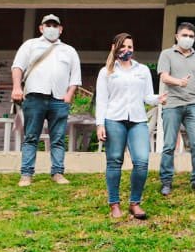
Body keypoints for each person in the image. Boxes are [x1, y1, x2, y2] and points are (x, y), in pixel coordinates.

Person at [94, 33, 166, 220]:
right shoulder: (107, 72)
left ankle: (135, 203)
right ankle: (114, 204)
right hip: (114, 119)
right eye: (123, 46)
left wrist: (159, 98)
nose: (127, 50)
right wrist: (100, 124)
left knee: (142, 162)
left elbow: (147, 96)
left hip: (137, 120)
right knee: (114, 161)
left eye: (130, 47)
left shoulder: (142, 70)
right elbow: (102, 101)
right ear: (114, 48)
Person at [11, 13, 82, 187]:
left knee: (57, 138)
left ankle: (57, 172)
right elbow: (17, 66)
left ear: (60, 29)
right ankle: (26, 174)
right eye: (48, 25)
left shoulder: (69, 50)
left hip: (59, 99)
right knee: (31, 137)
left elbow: (75, 76)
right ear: (41, 28)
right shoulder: (30, 45)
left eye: (54, 25)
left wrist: (69, 95)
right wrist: (17, 87)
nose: (51, 28)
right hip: (35, 97)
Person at [157, 22, 195, 195]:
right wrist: (179, 82)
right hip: (172, 105)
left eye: (191, 37)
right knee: (169, 145)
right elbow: (164, 77)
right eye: (185, 35)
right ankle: (166, 182)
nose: (188, 39)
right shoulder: (167, 54)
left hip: (193, 105)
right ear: (177, 36)